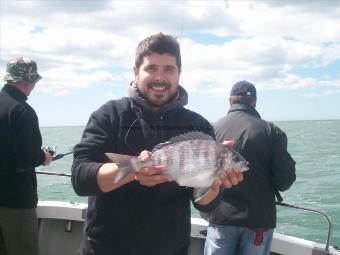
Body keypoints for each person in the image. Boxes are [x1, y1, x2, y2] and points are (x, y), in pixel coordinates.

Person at [71, 33, 244, 255]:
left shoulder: (198, 126)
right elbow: (80, 178)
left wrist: (215, 181)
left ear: (179, 73)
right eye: (151, 68)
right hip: (104, 248)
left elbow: (206, 204)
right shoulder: (109, 115)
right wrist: (133, 171)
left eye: (168, 69)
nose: (160, 78)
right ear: (136, 72)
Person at [203, 80, 296, 255]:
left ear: (231, 101)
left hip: (220, 217)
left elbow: (203, 177)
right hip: (259, 219)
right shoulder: (272, 131)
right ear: (254, 102)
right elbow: (285, 180)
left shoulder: (211, 130)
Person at [0, 57, 53, 255]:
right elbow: (28, 158)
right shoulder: (22, 111)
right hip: (15, 202)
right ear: (27, 82)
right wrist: (44, 157)